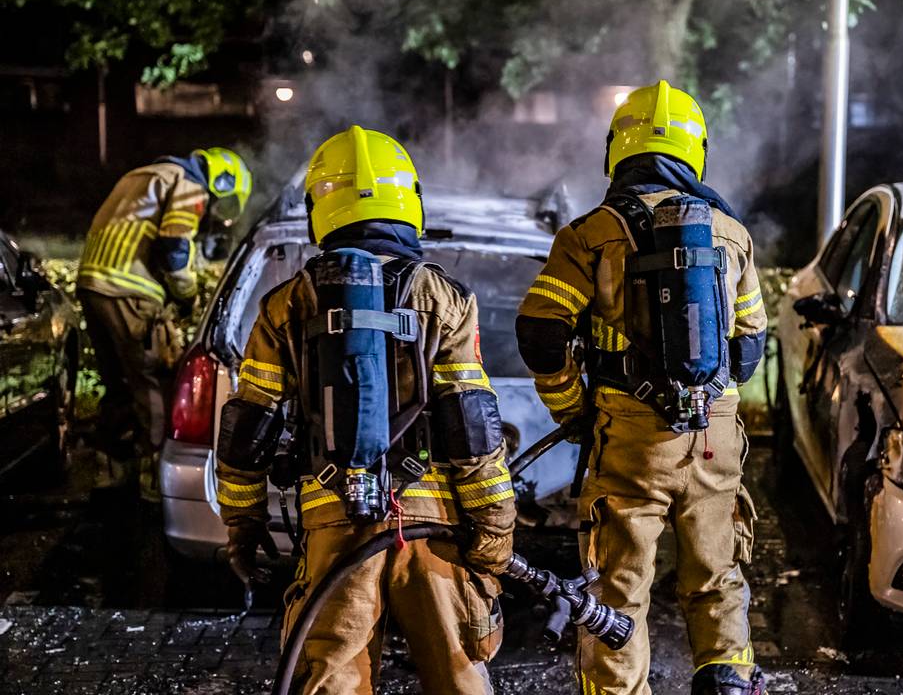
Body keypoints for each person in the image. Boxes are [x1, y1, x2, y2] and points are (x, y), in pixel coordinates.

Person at [214, 125, 515, 695]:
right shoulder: (443, 298)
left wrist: (242, 525)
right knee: (459, 674)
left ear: (319, 209)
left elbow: (246, 427)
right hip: (433, 527)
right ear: (410, 201)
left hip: (334, 524)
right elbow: (471, 424)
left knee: (331, 679)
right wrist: (494, 528)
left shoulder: (287, 303)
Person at [516, 81, 769, 695]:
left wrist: (572, 407)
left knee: (618, 594)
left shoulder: (591, 233)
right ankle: (729, 681)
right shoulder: (730, 234)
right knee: (718, 577)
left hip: (629, 438)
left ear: (617, 150)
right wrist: (705, 396)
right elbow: (749, 347)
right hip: (713, 440)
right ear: (695, 152)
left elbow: (540, 331)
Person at [78, 147, 251, 500]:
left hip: (92, 285)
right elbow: (174, 246)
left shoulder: (142, 174)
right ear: (222, 179)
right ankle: (154, 478)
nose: (212, 211)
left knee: (118, 383)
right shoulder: (188, 183)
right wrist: (186, 294)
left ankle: (111, 468)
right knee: (154, 382)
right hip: (130, 290)